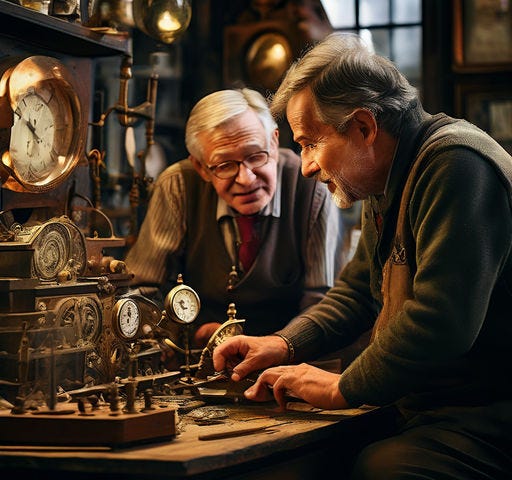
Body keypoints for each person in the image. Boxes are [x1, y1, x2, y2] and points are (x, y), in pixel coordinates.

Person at [213, 33, 512, 479]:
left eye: (311, 143)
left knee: (382, 468)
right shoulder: (387, 176)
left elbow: (440, 322)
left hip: (491, 411)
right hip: (438, 404)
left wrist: (343, 388)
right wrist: (284, 343)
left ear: (364, 127)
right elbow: (356, 293)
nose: (307, 165)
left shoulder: (456, 163)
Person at [125, 87, 347, 353]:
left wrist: (280, 345)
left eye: (256, 157)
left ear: (274, 143)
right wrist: (189, 331)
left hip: (292, 358)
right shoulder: (178, 185)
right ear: (201, 167)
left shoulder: (311, 187)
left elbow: (324, 301)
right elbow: (144, 291)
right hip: (197, 355)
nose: (246, 179)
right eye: (225, 165)